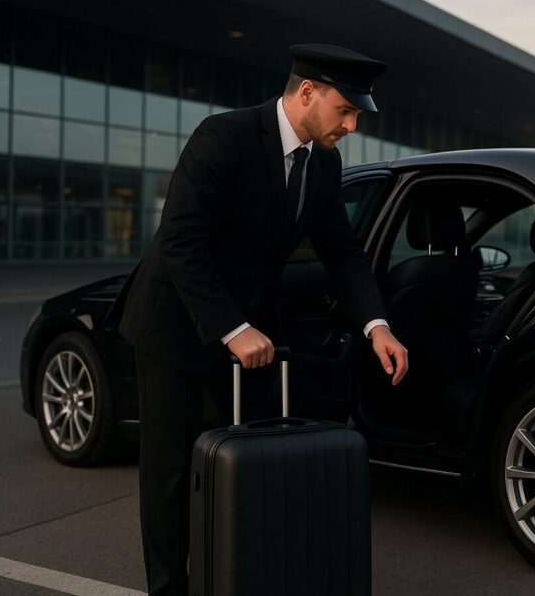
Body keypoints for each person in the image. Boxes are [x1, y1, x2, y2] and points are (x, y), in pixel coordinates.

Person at [104, 44, 409, 596]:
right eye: (345, 110)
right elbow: (180, 241)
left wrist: (376, 326)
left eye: (358, 114)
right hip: (175, 325)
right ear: (307, 92)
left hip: (248, 336)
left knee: (248, 467)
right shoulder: (224, 137)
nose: (352, 124)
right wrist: (232, 327)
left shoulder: (324, 162)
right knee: (170, 476)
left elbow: (342, 252)